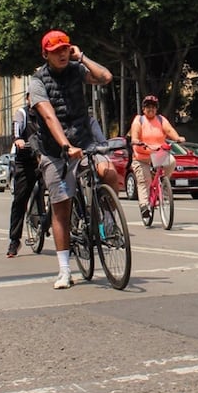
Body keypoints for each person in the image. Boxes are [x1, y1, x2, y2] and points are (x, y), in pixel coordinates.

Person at [27, 30, 115, 289]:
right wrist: (66, 146)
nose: (62, 54)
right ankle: (65, 270)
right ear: (46, 54)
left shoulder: (77, 69)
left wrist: (83, 57)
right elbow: (49, 117)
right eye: (56, 51)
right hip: (55, 149)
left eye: (65, 49)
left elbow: (106, 77)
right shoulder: (37, 82)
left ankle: (108, 220)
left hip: (84, 139)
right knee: (61, 208)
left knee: (109, 172)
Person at [129, 94, 185, 222]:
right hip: (141, 156)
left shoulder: (160, 119)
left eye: (153, 107)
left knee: (171, 161)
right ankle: (144, 206)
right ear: (143, 109)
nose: (151, 109)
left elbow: (169, 131)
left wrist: (177, 138)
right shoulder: (139, 120)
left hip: (158, 154)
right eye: (148, 107)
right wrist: (136, 141)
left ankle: (164, 185)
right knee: (144, 181)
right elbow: (135, 134)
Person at [6, 92, 40, 258]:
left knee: (62, 195)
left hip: (45, 159)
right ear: (27, 99)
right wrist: (18, 139)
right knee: (20, 200)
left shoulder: (48, 113)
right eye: (32, 96)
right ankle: (14, 240)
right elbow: (16, 130)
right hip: (26, 161)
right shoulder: (22, 113)